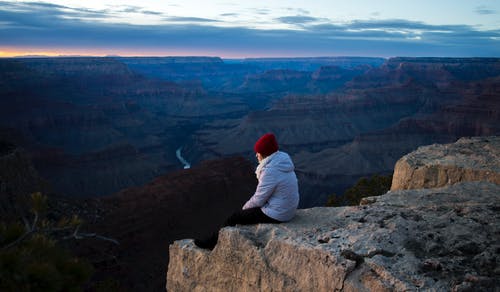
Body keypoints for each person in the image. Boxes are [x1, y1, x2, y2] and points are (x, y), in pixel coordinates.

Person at [194, 133, 300, 250]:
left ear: (265, 154)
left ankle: (211, 243)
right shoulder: (281, 162)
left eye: (258, 152)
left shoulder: (270, 171)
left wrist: (244, 209)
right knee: (238, 212)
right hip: (287, 209)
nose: (256, 155)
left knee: (233, 217)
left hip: (277, 214)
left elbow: (259, 199)